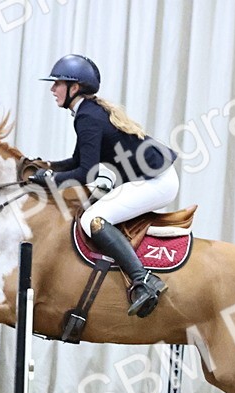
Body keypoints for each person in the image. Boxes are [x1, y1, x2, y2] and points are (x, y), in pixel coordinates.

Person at [31, 54, 179, 317]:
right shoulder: (87, 112)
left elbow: (86, 172)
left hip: (157, 182)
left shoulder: (87, 117)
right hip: (151, 178)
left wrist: (51, 181)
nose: (52, 89)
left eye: (58, 84)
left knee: (93, 219)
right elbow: (78, 161)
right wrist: (47, 166)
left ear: (74, 88)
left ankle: (143, 281)